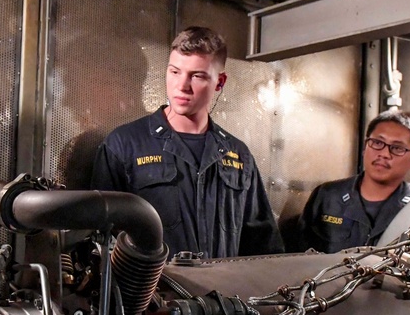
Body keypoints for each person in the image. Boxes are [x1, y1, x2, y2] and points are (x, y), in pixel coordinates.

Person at [91, 26, 283, 259]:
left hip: (222, 294)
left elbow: (263, 248)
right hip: (152, 293)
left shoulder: (238, 155)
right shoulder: (124, 146)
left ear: (219, 82)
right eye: (174, 72)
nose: (182, 86)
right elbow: (101, 241)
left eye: (197, 76)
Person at [291, 110, 410, 254]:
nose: (384, 154)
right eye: (378, 143)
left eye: (397, 148)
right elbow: (298, 257)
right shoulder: (327, 196)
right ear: (366, 146)